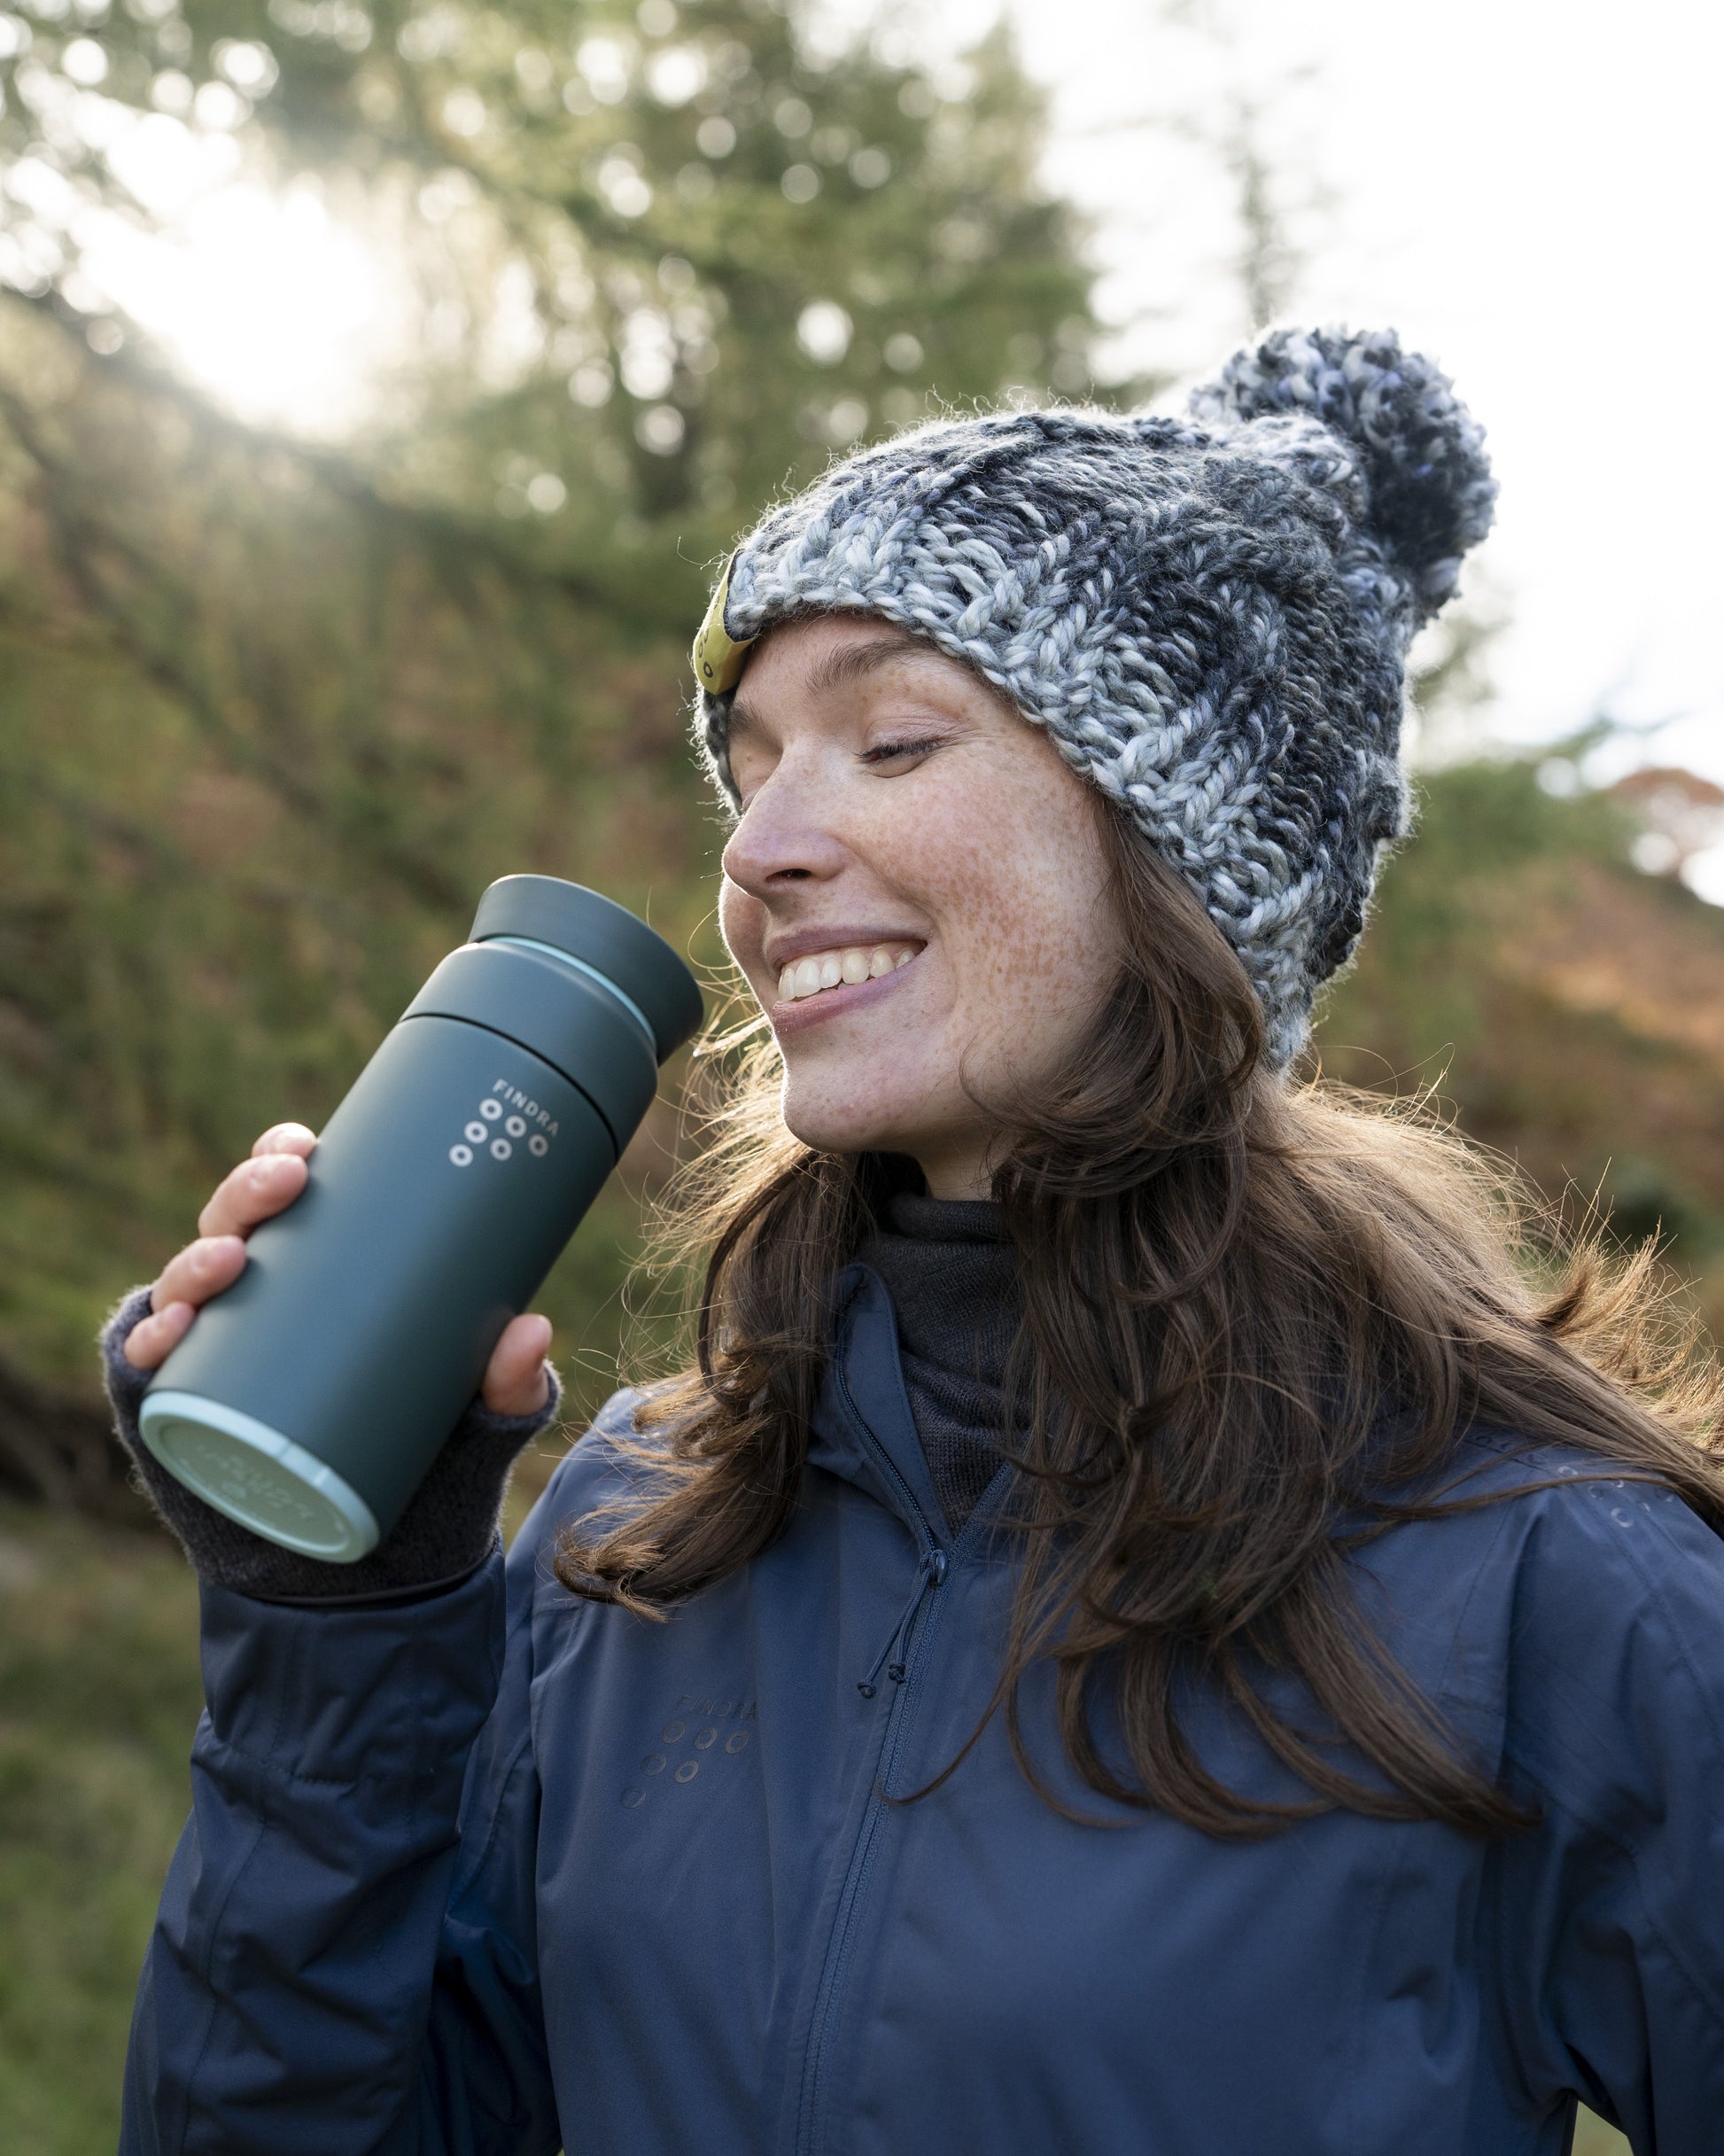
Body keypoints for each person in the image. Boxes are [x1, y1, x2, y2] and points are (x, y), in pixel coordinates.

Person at [105, 327, 1724, 2156]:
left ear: (1173, 856)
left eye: (890, 738)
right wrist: (345, 1628)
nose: (766, 846)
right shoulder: (632, 1536)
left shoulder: (1537, 1577)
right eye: (750, 762)